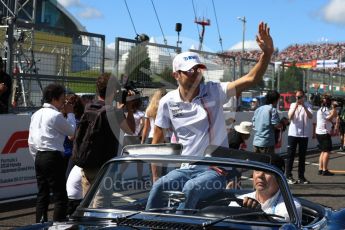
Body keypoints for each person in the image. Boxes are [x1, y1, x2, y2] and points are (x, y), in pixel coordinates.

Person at [146, 21, 274, 211]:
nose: (195, 74)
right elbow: (156, 142)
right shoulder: (167, 101)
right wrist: (156, 176)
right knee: (158, 187)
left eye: (198, 69)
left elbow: (251, 79)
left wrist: (267, 54)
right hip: (186, 167)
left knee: (191, 189)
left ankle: (181, 225)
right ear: (176, 75)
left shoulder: (214, 91)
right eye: (190, 71)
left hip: (217, 167)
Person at [73, 74, 135, 196]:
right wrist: (129, 108)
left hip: (87, 163)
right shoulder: (113, 112)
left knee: (88, 203)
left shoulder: (89, 107)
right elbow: (131, 130)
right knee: (100, 205)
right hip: (104, 167)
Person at [28, 83, 76, 222]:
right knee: (60, 195)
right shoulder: (55, 115)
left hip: (39, 155)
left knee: (42, 194)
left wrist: (36, 157)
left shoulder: (36, 114)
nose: (64, 101)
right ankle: (58, 225)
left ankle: (40, 224)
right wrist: (71, 113)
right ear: (55, 99)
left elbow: (31, 140)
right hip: (53, 156)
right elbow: (71, 132)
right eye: (62, 98)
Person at [229, 153, 302, 222]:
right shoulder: (238, 201)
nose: (260, 175)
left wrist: (259, 215)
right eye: (257, 170)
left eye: (267, 171)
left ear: (279, 177)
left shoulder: (291, 208)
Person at [285, 90, 313, 184]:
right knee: (290, 156)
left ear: (304, 97)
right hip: (293, 134)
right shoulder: (293, 105)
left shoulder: (308, 105)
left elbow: (310, 116)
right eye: (297, 97)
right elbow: (289, 117)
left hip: (304, 135)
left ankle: (301, 177)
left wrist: (304, 106)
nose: (298, 98)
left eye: (300, 97)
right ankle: (288, 176)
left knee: (302, 157)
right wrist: (296, 106)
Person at [62, 94, 84, 178]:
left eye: (66, 104)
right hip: (65, 154)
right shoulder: (67, 119)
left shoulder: (76, 121)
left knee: (68, 180)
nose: (63, 106)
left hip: (71, 156)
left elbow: (71, 137)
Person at [315, 94, 337, 176]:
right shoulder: (324, 109)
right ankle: (325, 170)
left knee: (323, 151)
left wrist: (333, 109)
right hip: (324, 133)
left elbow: (331, 117)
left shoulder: (321, 109)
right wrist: (334, 108)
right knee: (327, 151)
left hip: (320, 132)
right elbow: (330, 118)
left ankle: (321, 169)